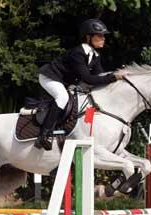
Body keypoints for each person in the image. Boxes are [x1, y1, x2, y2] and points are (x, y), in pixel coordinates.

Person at [35, 18, 123, 150]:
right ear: (88, 37)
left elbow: (100, 76)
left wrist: (118, 74)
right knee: (63, 98)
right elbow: (88, 79)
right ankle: (44, 134)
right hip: (50, 77)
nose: (103, 38)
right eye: (99, 35)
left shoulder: (95, 56)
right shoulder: (78, 53)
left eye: (103, 36)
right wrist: (113, 78)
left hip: (63, 81)